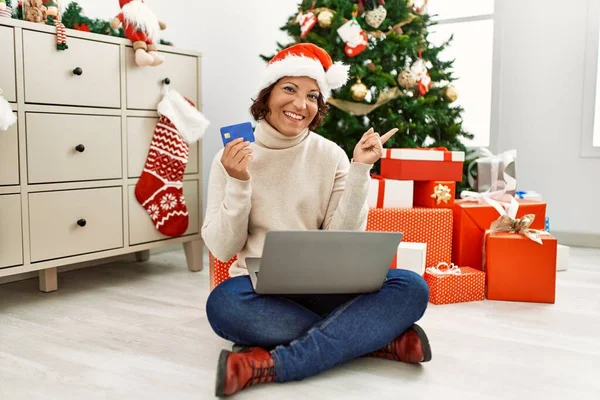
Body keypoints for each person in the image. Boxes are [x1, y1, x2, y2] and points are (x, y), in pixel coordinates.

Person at [202, 43, 430, 397]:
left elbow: (344, 237)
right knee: (223, 306)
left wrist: (360, 169)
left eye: (312, 95)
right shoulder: (230, 156)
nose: (300, 104)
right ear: (267, 95)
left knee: (411, 287)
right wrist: (239, 182)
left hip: (328, 288)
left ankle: (270, 365)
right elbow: (222, 247)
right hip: (259, 290)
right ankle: (372, 340)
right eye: (289, 89)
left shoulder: (330, 154)